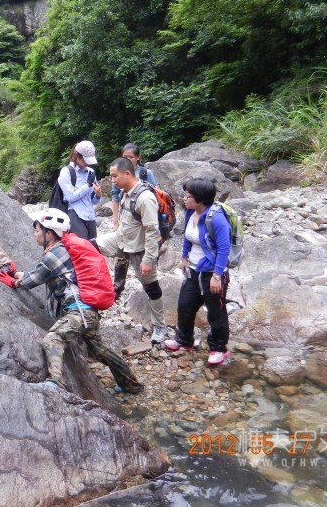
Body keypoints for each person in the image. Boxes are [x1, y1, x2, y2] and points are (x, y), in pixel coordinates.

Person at [0, 208, 143, 394]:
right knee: (99, 351)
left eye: (37, 230)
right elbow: (39, 274)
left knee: (52, 339)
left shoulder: (55, 254)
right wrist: (16, 274)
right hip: (88, 312)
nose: (34, 234)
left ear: (49, 233)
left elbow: (31, 280)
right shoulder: (63, 250)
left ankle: (55, 384)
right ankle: (132, 385)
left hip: (78, 312)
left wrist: (13, 281)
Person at [96, 157, 166, 345]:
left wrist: (149, 260)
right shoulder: (125, 192)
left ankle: (160, 326)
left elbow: (152, 232)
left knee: (151, 288)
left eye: (114, 176)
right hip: (120, 240)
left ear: (127, 174)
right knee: (89, 246)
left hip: (139, 250)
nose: (112, 180)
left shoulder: (145, 198)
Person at [164, 178, 231, 366]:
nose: (184, 199)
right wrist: (184, 258)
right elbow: (187, 237)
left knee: (215, 311)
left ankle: (219, 348)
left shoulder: (216, 218)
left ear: (200, 198)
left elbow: (224, 249)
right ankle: (184, 340)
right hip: (193, 269)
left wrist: (217, 276)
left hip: (212, 272)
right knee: (185, 304)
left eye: (188, 196)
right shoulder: (190, 213)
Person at [110, 143, 157, 299]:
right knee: (121, 256)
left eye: (131, 156)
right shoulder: (118, 173)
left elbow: (154, 194)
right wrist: (115, 222)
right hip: (126, 219)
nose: (128, 159)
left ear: (138, 157)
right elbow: (115, 197)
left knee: (140, 256)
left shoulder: (145, 173)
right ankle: (117, 287)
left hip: (141, 221)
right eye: (125, 156)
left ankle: (149, 289)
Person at [58, 140, 102, 243]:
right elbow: (70, 197)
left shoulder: (91, 172)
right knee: (82, 246)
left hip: (90, 215)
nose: (87, 163)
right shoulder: (66, 172)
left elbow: (93, 201)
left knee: (93, 247)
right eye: (85, 160)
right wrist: (87, 185)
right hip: (74, 214)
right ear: (77, 156)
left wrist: (98, 195)